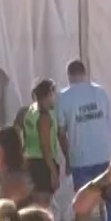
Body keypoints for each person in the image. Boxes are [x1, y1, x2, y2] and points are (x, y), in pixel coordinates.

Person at [54, 60, 111, 221]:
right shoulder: (101, 92)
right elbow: (108, 121)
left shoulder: (63, 97)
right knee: (108, 198)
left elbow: (61, 132)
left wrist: (68, 156)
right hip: (103, 153)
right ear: (85, 73)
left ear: (69, 75)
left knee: (82, 199)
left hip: (80, 156)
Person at [18, 78, 69, 207]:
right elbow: (45, 147)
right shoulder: (44, 116)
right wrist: (53, 172)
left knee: (33, 204)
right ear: (48, 94)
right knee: (42, 205)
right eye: (53, 94)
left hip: (30, 161)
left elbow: (17, 134)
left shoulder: (27, 111)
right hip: (43, 164)